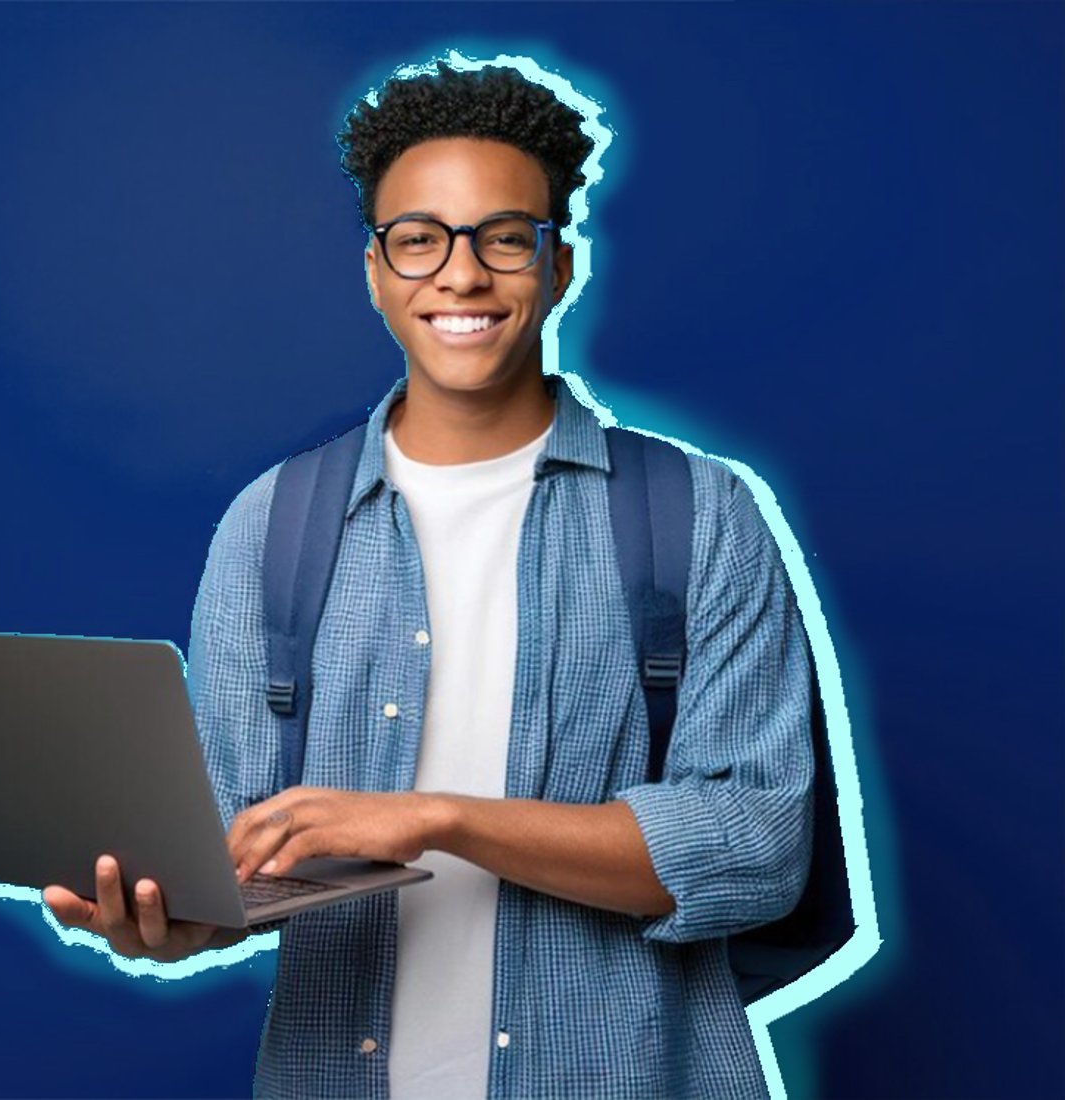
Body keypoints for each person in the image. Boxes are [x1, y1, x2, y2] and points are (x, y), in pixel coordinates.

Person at [43, 62, 815, 1100]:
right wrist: (168, 924)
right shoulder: (271, 526)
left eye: (504, 236)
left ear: (560, 265)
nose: (461, 274)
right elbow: (234, 854)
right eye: (420, 238)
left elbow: (756, 847)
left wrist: (438, 816)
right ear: (375, 268)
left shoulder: (699, 513)